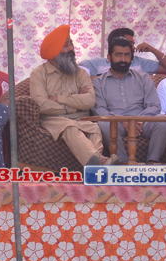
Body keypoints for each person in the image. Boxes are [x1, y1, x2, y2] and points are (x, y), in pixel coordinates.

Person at [28, 25, 112, 168]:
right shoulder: (39, 74)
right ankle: (100, 163)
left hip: (80, 119)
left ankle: (95, 168)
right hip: (53, 120)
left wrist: (59, 99)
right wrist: (75, 104)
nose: (71, 49)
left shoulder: (80, 73)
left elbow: (90, 100)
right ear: (54, 51)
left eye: (71, 44)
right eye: (66, 45)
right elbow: (42, 105)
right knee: (70, 127)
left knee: (94, 128)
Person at [92, 36, 166, 163]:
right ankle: (122, 163)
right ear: (109, 57)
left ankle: (153, 163)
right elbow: (100, 110)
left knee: (163, 120)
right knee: (104, 123)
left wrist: (136, 122)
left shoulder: (143, 78)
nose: (123, 59)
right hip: (116, 123)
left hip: (142, 122)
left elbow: (154, 105)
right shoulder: (98, 83)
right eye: (118, 55)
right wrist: (123, 121)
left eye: (127, 55)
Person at [80, 27, 166, 77]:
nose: (133, 47)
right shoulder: (98, 64)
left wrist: (153, 50)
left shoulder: (140, 63)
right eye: (130, 43)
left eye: (133, 43)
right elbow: (76, 70)